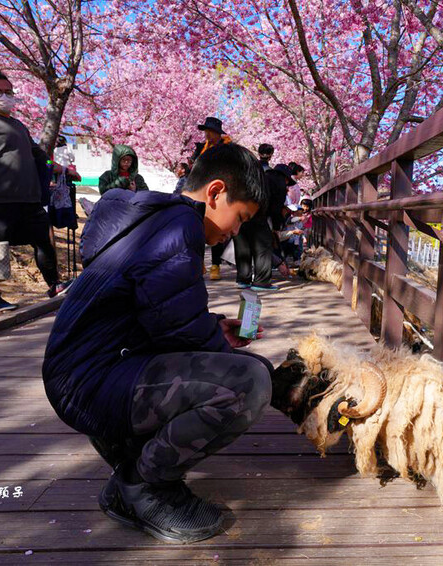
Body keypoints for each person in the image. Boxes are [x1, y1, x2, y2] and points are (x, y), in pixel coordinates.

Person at [43, 142, 271, 544]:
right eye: (241, 218)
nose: (236, 231)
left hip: (83, 375)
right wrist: (261, 378)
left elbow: (159, 314)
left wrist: (215, 329)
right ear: (216, 192)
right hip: (92, 384)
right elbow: (178, 329)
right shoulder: (179, 225)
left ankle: (130, 461)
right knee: (249, 382)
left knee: (237, 370)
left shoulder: (153, 219)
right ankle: (142, 487)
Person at [0, 70, 70, 311]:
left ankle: (55, 284)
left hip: (27, 198)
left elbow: (37, 154)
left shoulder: (18, 125)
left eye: (8, 92)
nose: (4, 96)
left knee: (43, 241)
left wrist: (59, 168)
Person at [233, 163, 294, 291]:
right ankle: (261, 281)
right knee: (263, 245)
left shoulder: (261, 176)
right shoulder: (280, 183)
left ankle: (243, 279)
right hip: (258, 214)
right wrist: (276, 227)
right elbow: (276, 208)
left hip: (239, 212)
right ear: (285, 177)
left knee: (243, 245)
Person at [191, 117, 230, 280]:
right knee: (197, 227)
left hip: (218, 192)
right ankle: (199, 263)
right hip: (200, 191)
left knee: (215, 228)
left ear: (218, 133)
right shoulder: (200, 148)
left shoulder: (227, 148)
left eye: (211, 132)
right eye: (206, 131)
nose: (208, 135)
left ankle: (215, 265)